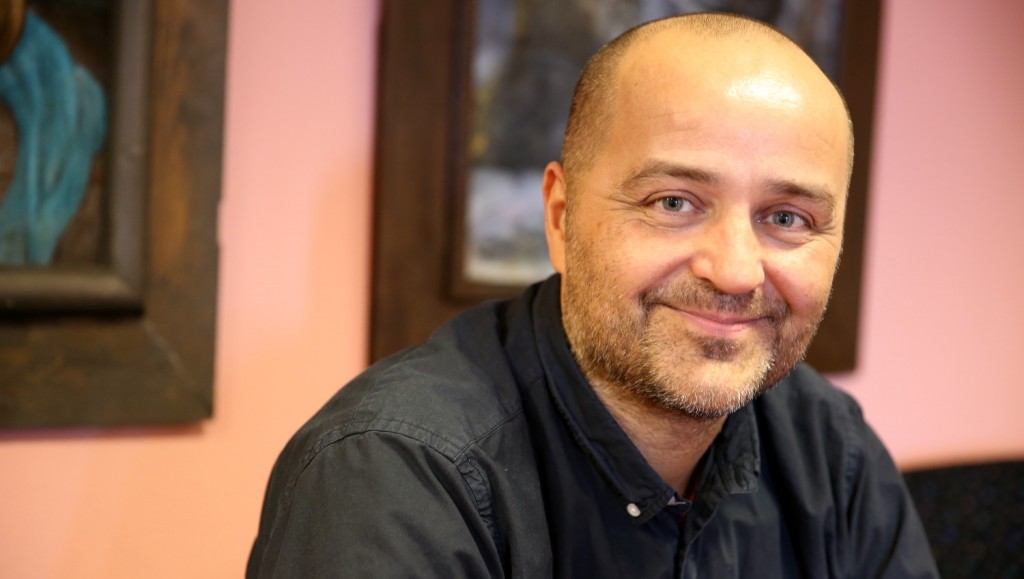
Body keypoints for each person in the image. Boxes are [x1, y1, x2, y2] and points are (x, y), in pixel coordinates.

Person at [248, 13, 939, 578]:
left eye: (787, 218)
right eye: (674, 202)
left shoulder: (830, 453)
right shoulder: (393, 476)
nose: (735, 271)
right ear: (561, 217)